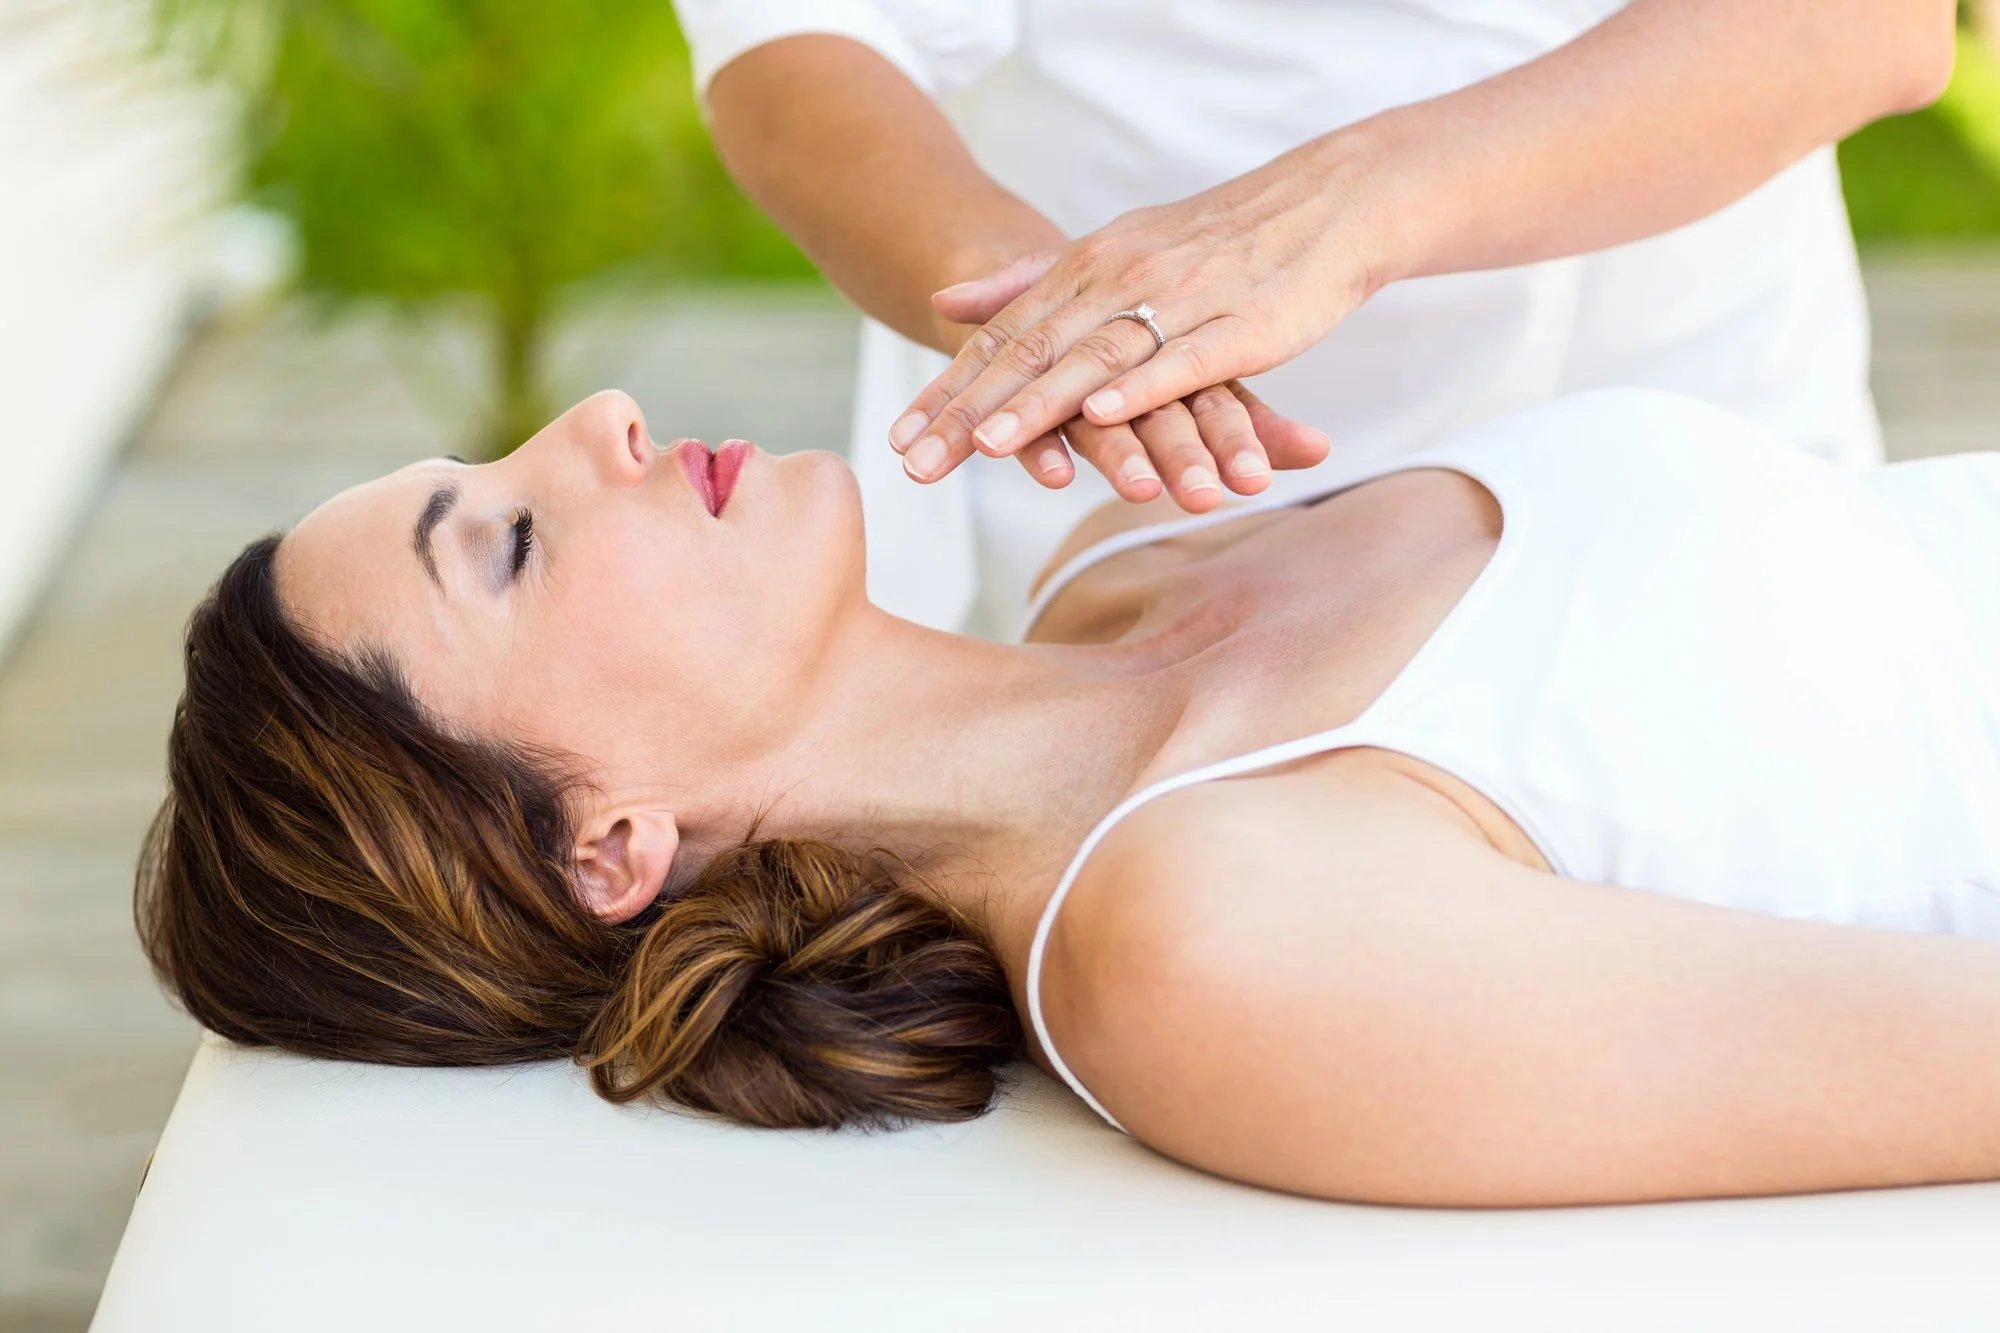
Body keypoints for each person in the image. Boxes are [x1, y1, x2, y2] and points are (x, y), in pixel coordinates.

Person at [138, 386, 2000, 1208]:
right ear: (610, 840)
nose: (606, 416)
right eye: (517, 541)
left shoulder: (1122, 540)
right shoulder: (1206, 945)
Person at [675, 0, 1957, 638]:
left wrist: (1333, 217)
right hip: (1119, 527)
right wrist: (1028, 305)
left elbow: (1857, 24)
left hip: (1702, 497)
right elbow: (798, 48)